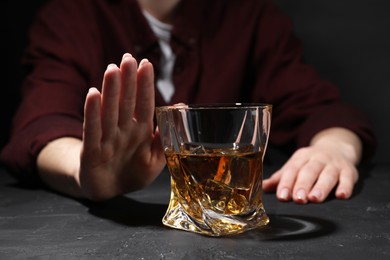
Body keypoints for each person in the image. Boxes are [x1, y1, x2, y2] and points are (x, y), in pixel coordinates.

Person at [1, 0, 376, 204]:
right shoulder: (71, 14)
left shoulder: (249, 15)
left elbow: (320, 107)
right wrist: (85, 173)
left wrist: (335, 149)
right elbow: (40, 122)